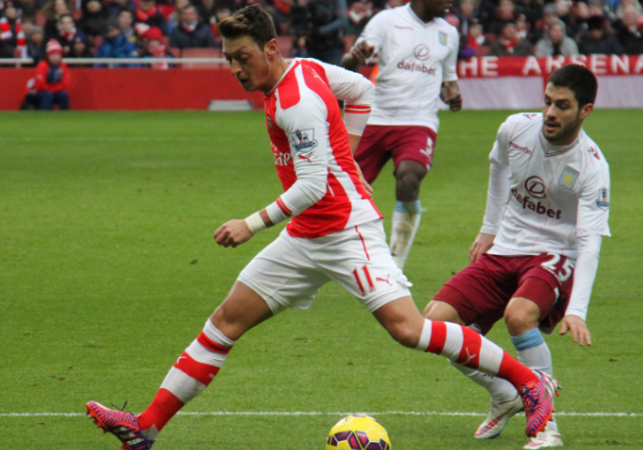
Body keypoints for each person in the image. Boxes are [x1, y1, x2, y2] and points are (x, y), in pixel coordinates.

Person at [84, 5, 556, 450]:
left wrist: (250, 224)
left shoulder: (298, 101)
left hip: (347, 230)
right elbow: (364, 92)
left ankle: (529, 383)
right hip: (307, 234)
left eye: (242, 57)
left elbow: (311, 186)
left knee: (409, 330)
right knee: (226, 321)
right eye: (228, 59)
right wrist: (346, 151)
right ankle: (145, 428)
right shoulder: (306, 67)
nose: (234, 68)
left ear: (270, 49)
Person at [423, 64, 608, 449]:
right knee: (436, 324)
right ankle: (506, 395)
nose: (550, 113)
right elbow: (498, 168)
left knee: (519, 314)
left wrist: (578, 309)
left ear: (585, 110)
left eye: (562, 106)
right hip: (505, 246)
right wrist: (489, 228)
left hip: (553, 253)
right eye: (546, 102)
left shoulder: (592, 165)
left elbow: (590, 242)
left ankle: (547, 428)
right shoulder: (515, 128)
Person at [339, 0, 462, 270]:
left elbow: (448, 80)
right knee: (340, 190)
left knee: (409, 176)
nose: (450, 3)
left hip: (418, 120)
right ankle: (321, 256)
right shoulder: (387, 20)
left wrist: (452, 94)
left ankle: (395, 264)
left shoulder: (449, 32)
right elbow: (347, 62)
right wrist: (356, 57)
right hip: (376, 117)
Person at [33, 39, 71, 109]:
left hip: (55, 91)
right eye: (53, 55)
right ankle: (43, 116)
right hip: (39, 93)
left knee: (63, 95)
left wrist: (53, 89)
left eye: (58, 55)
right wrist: (52, 90)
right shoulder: (42, 65)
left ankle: (65, 117)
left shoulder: (63, 66)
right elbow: (40, 85)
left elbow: (65, 84)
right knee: (48, 95)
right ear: (48, 56)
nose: (55, 57)